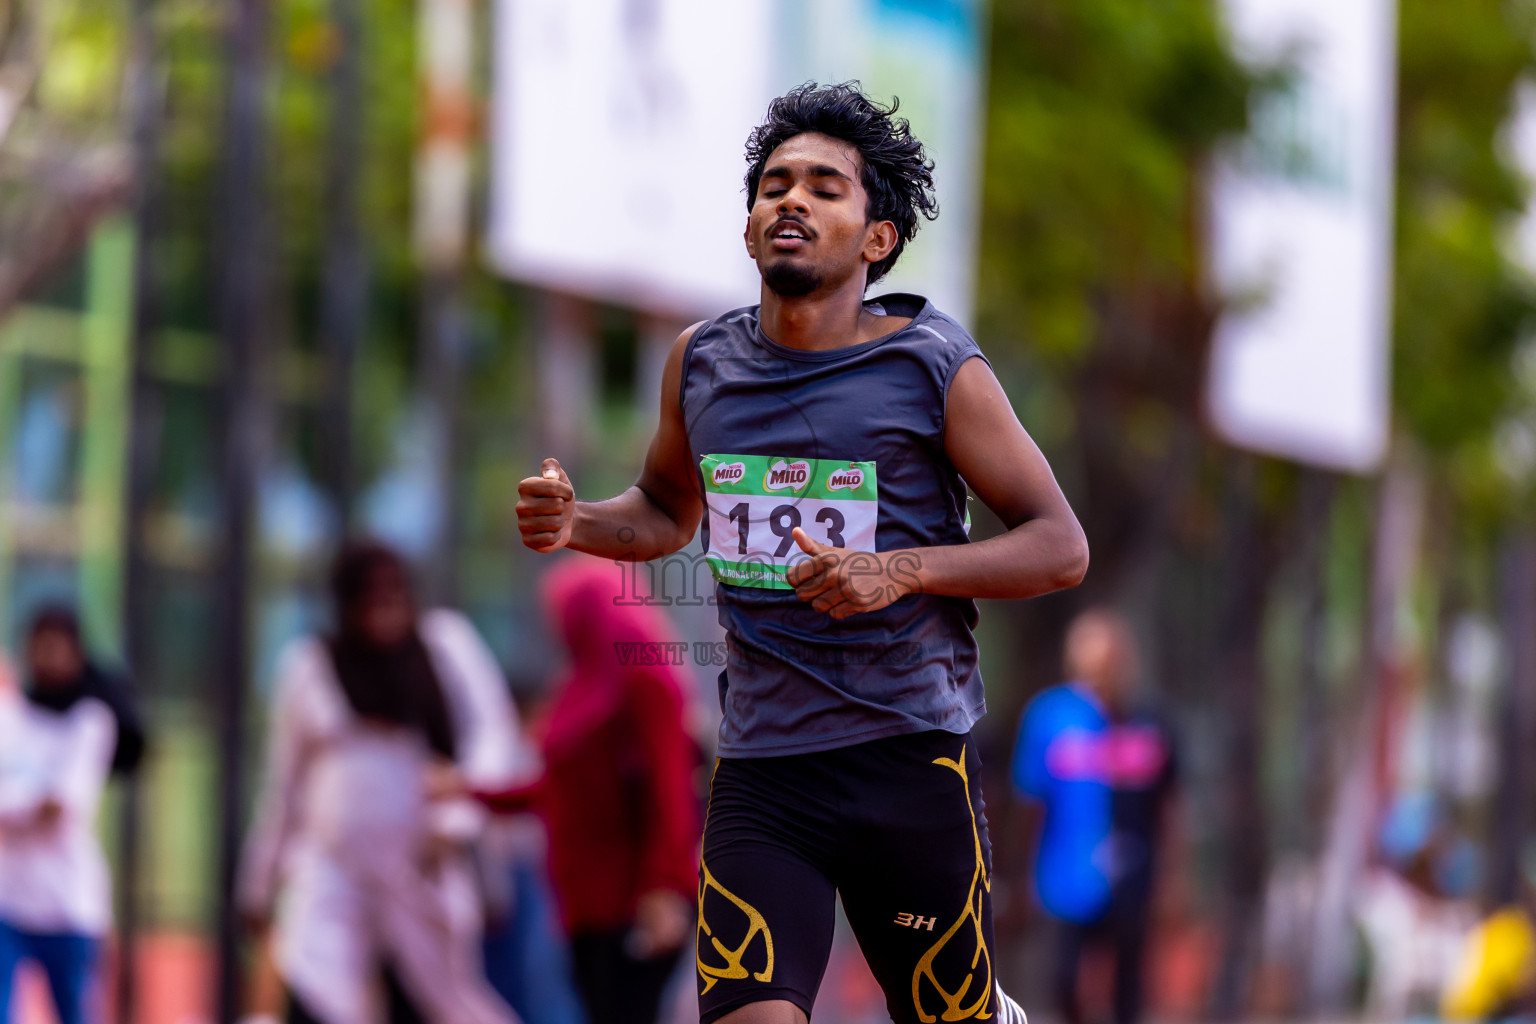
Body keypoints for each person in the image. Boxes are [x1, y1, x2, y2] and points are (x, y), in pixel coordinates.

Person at [515, 82, 1088, 1024]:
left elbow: (1060, 547)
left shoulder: (935, 367)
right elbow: (667, 507)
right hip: (763, 772)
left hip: (909, 762)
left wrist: (899, 569)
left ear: (877, 239)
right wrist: (577, 521)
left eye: (825, 187)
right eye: (774, 185)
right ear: (748, 232)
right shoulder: (702, 365)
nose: (791, 200)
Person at [238, 540, 524, 1024]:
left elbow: (493, 739)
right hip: (334, 871)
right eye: (371, 596)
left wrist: (456, 818)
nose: (385, 608)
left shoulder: (444, 648)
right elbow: (282, 785)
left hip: (420, 868)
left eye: (395, 593)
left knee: (438, 1000)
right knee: (316, 994)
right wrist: (259, 884)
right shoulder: (311, 667)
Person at [466, 560, 701, 1024]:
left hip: (633, 906)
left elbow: (670, 790)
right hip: (584, 908)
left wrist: (665, 888)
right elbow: (557, 790)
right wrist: (471, 793)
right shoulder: (582, 687)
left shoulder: (646, 679)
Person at [1011, 610, 1179, 1024]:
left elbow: (1170, 807)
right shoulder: (1049, 718)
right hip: (1066, 876)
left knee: (1128, 987)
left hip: (1134, 874)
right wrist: (1019, 873)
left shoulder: (1149, 722)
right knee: (1064, 979)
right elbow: (1029, 801)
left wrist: (1174, 878)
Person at [0, 607, 124, 1024]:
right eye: (39, 644)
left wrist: (13, 805)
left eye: (57, 645)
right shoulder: (11, 716)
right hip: (8, 904)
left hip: (70, 907)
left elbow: (60, 808)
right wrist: (28, 805)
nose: (47, 656)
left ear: (77, 653)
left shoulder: (90, 719)